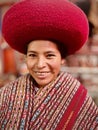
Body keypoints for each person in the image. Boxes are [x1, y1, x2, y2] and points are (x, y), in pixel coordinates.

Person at [0, 0, 98, 129]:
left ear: (62, 59)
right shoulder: (5, 96)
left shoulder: (79, 100)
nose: (40, 64)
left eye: (50, 55)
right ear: (25, 58)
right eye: (33, 55)